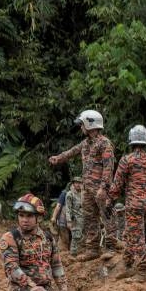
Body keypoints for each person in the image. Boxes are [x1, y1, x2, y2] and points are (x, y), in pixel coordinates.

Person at [48, 109, 115, 261]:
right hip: (87, 189)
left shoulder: (105, 144)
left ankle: (111, 247)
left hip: (100, 189)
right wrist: (58, 158)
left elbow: (108, 167)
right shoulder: (86, 143)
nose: (81, 127)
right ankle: (92, 250)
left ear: (90, 124)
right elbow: (72, 151)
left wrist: (104, 188)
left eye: (82, 124)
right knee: (90, 218)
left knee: (107, 216)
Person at [108, 125, 146, 281]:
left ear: (131, 141)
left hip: (134, 204)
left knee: (137, 236)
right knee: (132, 232)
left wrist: (110, 199)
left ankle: (142, 271)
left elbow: (117, 184)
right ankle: (127, 261)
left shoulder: (127, 160)